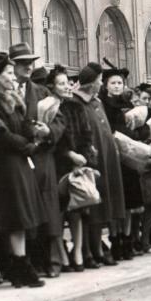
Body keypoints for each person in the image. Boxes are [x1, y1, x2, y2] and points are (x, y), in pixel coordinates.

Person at [0, 52, 46, 288]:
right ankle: (20, 265)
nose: (12, 76)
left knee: (22, 215)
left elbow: (22, 124)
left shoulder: (12, 97)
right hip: (5, 162)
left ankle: (18, 265)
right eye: (7, 72)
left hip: (18, 160)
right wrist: (26, 145)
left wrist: (32, 132)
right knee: (16, 216)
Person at [9, 42, 67, 278]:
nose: (28, 67)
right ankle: (28, 261)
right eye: (22, 63)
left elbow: (60, 122)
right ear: (11, 66)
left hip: (43, 158)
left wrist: (48, 131)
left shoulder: (42, 92)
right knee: (25, 211)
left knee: (48, 210)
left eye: (30, 62)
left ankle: (52, 261)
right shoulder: (6, 90)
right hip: (20, 157)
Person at [72, 62, 125, 267]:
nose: (101, 84)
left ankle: (98, 248)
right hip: (92, 160)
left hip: (106, 159)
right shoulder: (76, 103)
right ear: (91, 83)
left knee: (104, 206)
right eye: (99, 81)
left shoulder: (97, 102)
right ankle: (90, 251)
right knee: (92, 208)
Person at [46, 65, 95, 272]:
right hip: (56, 164)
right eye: (61, 83)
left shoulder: (76, 107)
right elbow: (52, 140)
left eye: (67, 83)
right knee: (57, 210)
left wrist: (83, 157)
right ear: (52, 86)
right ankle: (61, 253)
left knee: (78, 209)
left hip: (77, 164)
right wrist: (68, 154)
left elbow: (86, 134)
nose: (66, 87)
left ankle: (78, 252)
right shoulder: (48, 106)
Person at [100, 65, 150, 261]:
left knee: (130, 202)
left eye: (119, 83)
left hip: (128, 156)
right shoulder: (103, 104)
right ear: (106, 85)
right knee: (117, 201)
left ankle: (127, 238)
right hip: (114, 156)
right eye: (113, 83)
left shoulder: (127, 104)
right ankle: (116, 239)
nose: (117, 86)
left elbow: (136, 127)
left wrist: (137, 133)